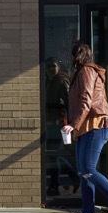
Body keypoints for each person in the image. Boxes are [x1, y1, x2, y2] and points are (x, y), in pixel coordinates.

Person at [61, 41, 108, 213]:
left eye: (72, 55)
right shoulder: (82, 72)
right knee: (84, 172)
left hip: (96, 125)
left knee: (89, 170)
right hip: (88, 126)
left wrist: (74, 125)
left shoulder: (86, 71)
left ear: (76, 56)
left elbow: (86, 99)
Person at [44, 57, 78, 196]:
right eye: (48, 66)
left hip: (58, 121)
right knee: (53, 154)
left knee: (54, 154)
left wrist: (70, 120)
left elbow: (68, 100)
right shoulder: (46, 81)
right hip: (48, 121)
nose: (51, 69)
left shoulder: (60, 80)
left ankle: (54, 185)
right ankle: (73, 176)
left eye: (53, 66)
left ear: (58, 67)